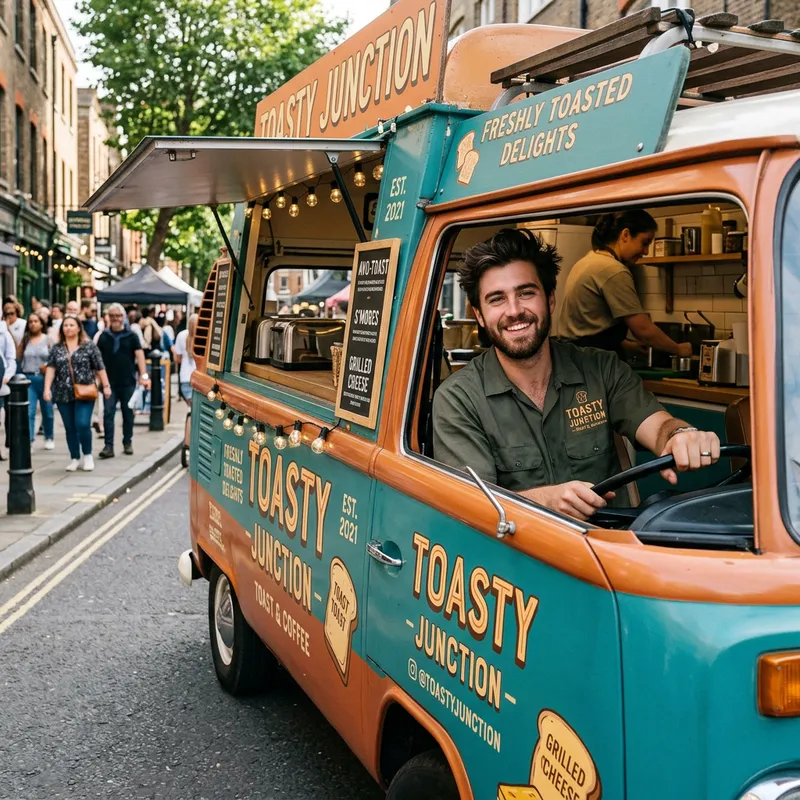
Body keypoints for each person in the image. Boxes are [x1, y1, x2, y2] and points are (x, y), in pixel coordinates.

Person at [433, 228, 720, 521]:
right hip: (514, 558)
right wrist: (543, 501)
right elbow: (470, 506)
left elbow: (659, 428)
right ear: (480, 315)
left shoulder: (602, 369)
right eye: (497, 299)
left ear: (550, 300)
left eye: (526, 293)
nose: (515, 310)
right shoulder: (458, 399)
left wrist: (681, 435)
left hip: (610, 550)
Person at [558, 210, 692, 360]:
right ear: (626, 235)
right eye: (645, 242)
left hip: (574, 358)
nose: (646, 252)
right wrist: (678, 349)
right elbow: (643, 330)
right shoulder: (613, 269)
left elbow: (588, 325)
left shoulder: (587, 261)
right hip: (593, 363)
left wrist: (628, 345)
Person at [44, 315, 111, 472]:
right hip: (62, 392)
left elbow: (100, 367)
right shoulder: (57, 348)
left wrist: (106, 386)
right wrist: (47, 388)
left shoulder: (89, 346)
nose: (68, 328)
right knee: (70, 427)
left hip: (85, 391)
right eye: (65, 325)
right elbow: (51, 368)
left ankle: (87, 455)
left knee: (82, 424)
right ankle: (74, 457)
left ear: (79, 328)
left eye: (71, 325)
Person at [95, 303, 150, 458]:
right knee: (108, 414)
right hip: (109, 383)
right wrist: (98, 379)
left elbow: (140, 356)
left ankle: (127, 442)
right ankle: (108, 446)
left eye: (118, 316)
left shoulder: (132, 336)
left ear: (123, 317)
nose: (115, 319)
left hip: (128, 382)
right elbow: (97, 360)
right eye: (112, 316)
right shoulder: (104, 336)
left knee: (128, 414)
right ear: (108, 318)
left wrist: (143, 376)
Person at [18, 313, 54, 449]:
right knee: (29, 411)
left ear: (41, 323)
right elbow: (19, 357)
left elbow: (55, 357)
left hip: (44, 378)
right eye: (31, 321)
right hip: (28, 378)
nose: (33, 324)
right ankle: (30, 439)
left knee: (48, 411)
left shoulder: (48, 339)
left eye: (36, 321)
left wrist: (48, 367)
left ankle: (49, 436)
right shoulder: (25, 339)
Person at [0, 318, 17, 460]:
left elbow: (11, 357)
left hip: (1, 382)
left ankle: (1, 448)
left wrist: (6, 375)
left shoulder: (4, 333)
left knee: (1, 417)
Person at [173, 313, 197, 404]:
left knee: (190, 408)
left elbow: (177, 359)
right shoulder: (204, 336)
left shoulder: (181, 335)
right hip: (198, 377)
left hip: (185, 377)